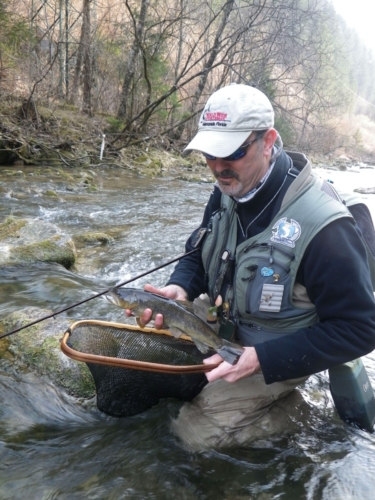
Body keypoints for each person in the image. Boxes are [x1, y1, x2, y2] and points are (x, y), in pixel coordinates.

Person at [127, 83, 375, 449]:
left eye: (232, 153)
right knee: (140, 357)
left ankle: (294, 415)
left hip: (281, 345)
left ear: (268, 141)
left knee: (193, 436)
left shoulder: (326, 230)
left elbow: (362, 329)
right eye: (209, 155)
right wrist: (180, 287)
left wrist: (261, 359)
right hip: (225, 320)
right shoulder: (228, 187)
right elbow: (198, 250)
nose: (217, 167)